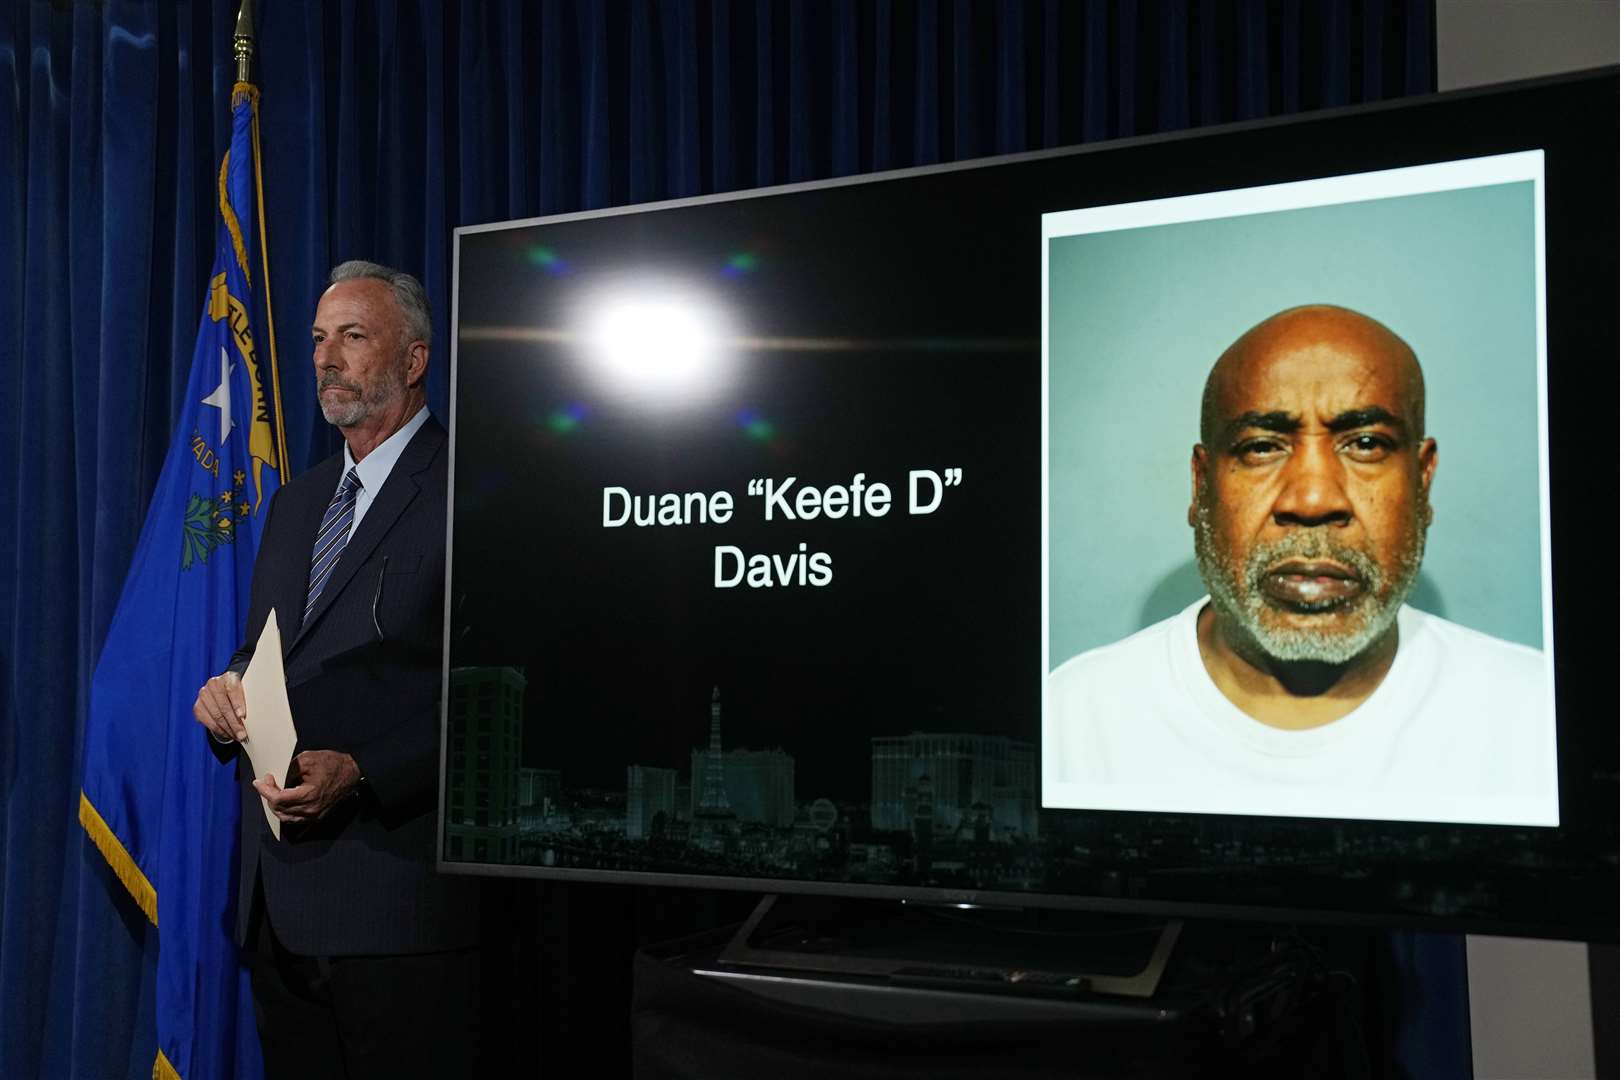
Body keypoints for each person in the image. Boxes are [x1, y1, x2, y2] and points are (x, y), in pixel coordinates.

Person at [1048, 304, 1555, 823]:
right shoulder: (1073, 719)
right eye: (1262, 447)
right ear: (1202, 488)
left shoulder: (1534, 717)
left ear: (1422, 482)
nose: (1312, 500)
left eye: (1365, 445)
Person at [192, 260, 478, 1076]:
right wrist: (228, 690)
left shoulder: (471, 488)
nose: (327, 358)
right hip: (277, 900)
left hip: (397, 904)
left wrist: (364, 769)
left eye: (354, 337)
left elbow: (499, 686)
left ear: (414, 361)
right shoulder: (296, 501)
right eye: (319, 339)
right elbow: (267, 650)